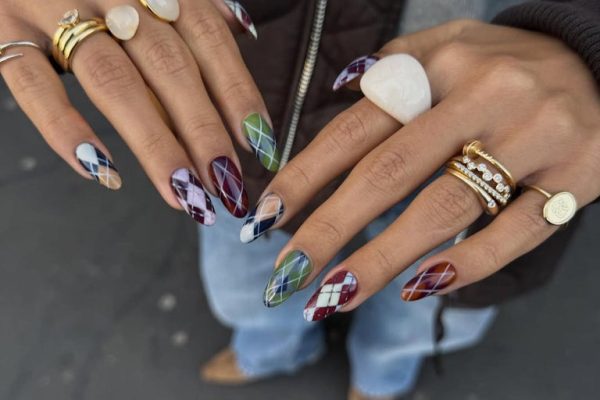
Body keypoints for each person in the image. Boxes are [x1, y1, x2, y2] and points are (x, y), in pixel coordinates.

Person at [1, 0, 599, 399]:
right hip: (258, 124)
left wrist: (585, 43)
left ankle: (381, 378)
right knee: (249, 286)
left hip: (508, 131)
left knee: (427, 303)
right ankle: (272, 353)